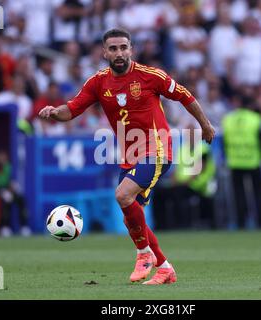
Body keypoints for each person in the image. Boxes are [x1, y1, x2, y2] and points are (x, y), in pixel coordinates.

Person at [39, 28, 215, 285]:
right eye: (113, 48)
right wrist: (54, 112)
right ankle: (165, 267)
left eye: (123, 47)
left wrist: (205, 124)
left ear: (131, 49)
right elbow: (72, 110)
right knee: (132, 216)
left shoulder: (150, 76)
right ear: (104, 52)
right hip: (130, 154)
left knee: (122, 195)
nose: (119, 53)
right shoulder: (97, 82)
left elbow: (185, 96)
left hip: (157, 149)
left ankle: (144, 255)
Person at [221, 91, 261, 229]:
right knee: (258, 194)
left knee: (239, 195)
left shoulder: (228, 119)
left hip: (235, 162)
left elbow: (225, 142)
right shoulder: (256, 119)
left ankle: (241, 222)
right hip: (253, 161)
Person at [0, 150, 31, 237]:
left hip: (8, 190)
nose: (0, 160)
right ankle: (5, 227)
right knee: (6, 199)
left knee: (21, 198)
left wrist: (12, 187)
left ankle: (24, 226)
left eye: (2, 158)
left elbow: (11, 181)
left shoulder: (8, 167)